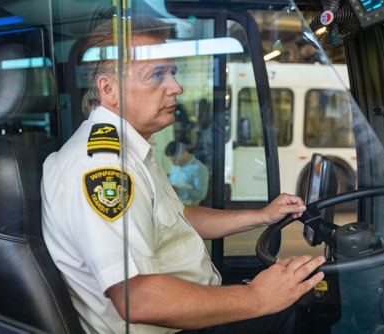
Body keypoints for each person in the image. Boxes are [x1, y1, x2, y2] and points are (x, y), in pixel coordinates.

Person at [41, 16, 326, 334]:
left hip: (185, 311)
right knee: (300, 312)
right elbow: (136, 298)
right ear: (109, 90)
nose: (176, 87)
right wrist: (256, 297)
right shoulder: (101, 167)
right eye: (157, 75)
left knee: (305, 297)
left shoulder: (131, 150)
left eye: (172, 73)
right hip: (170, 327)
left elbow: (180, 216)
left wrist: (261, 216)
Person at [165, 140, 209, 205]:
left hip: (188, 209)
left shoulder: (199, 169)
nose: (174, 164)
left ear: (184, 153)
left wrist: (178, 190)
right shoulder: (176, 165)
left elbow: (201, 194)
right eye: (172, 161)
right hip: (172, 205)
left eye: (175, 160)